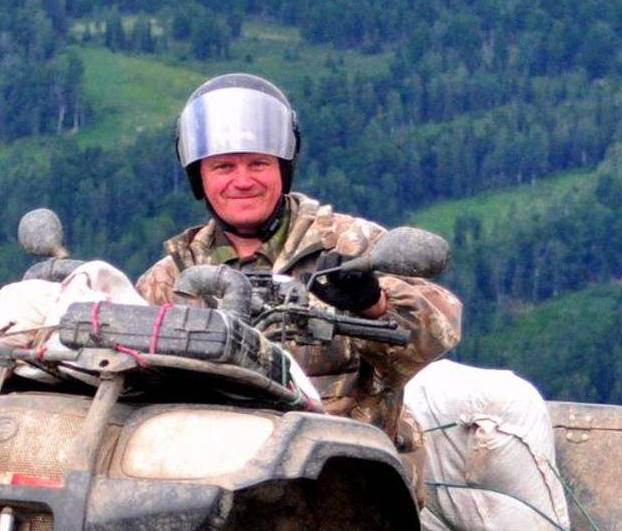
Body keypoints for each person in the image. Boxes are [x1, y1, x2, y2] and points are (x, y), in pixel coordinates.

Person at [134, 73, 461, 438]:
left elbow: (441, 332)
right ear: (200, 178)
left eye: (258, 164)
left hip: (343, 468)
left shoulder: (350, 244)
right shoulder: (170, 279)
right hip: (208, 466)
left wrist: (374, 304)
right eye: (223, 167)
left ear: (282, 169)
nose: (242, 181)